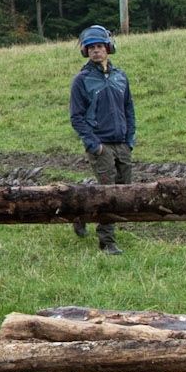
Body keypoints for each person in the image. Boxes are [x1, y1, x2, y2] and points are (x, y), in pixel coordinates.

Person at [69, 24, 135, 255]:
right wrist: (94, 146)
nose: (96, 51)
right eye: (91, 48)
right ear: (86, 52)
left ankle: (81, 210)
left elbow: (129, 109)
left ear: (108, 48)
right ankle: (107, 242)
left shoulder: (120, 77)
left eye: (99, 46)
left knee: (124, 190)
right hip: (101, 145)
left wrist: (130, 141)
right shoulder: (82, 80)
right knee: (109, 195)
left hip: (122, 144)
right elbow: (76, 117)